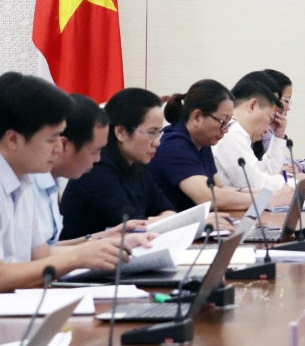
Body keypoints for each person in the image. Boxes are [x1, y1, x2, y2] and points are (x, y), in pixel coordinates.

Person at [0, 72, 141, 291]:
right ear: (13, 139)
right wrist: (77, 257)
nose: (59, 148)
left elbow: (42, 256)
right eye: (52, 138)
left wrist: (102, 246)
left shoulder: (24, 178)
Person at [148, 79, 290, 212]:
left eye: (228, 123)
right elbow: (208, 196)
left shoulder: (202, 143)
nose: (226, 129)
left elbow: (220, 187)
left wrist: (263, 193)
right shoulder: (174, 145)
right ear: (197, 117)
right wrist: (268, 199)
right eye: (222, 122)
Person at [60, 88, 178, 240]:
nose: (157, 142)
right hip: (80, 260)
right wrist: (163, 220)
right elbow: (131, 226)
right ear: (121, 132)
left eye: (159, 133)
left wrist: (160, 219)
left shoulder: (136, 165)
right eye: (151, 133)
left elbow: (167, 209)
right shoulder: (95, 168)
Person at [33, 94, 148, 246]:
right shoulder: (28, 186)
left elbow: (46, 251)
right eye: (95, 151)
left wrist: (104, 237)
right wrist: (87, 253)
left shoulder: (50, 183)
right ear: (63, 145)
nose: (98, 159)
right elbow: (28, 261)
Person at [212, 78, 293, 191]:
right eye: (269, 119)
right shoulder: (231, 134)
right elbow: (255, 185)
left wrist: (278, 136)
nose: (267, 130)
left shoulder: (238, 133)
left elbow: (264, 173)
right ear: (252, 106)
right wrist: (292, 183)